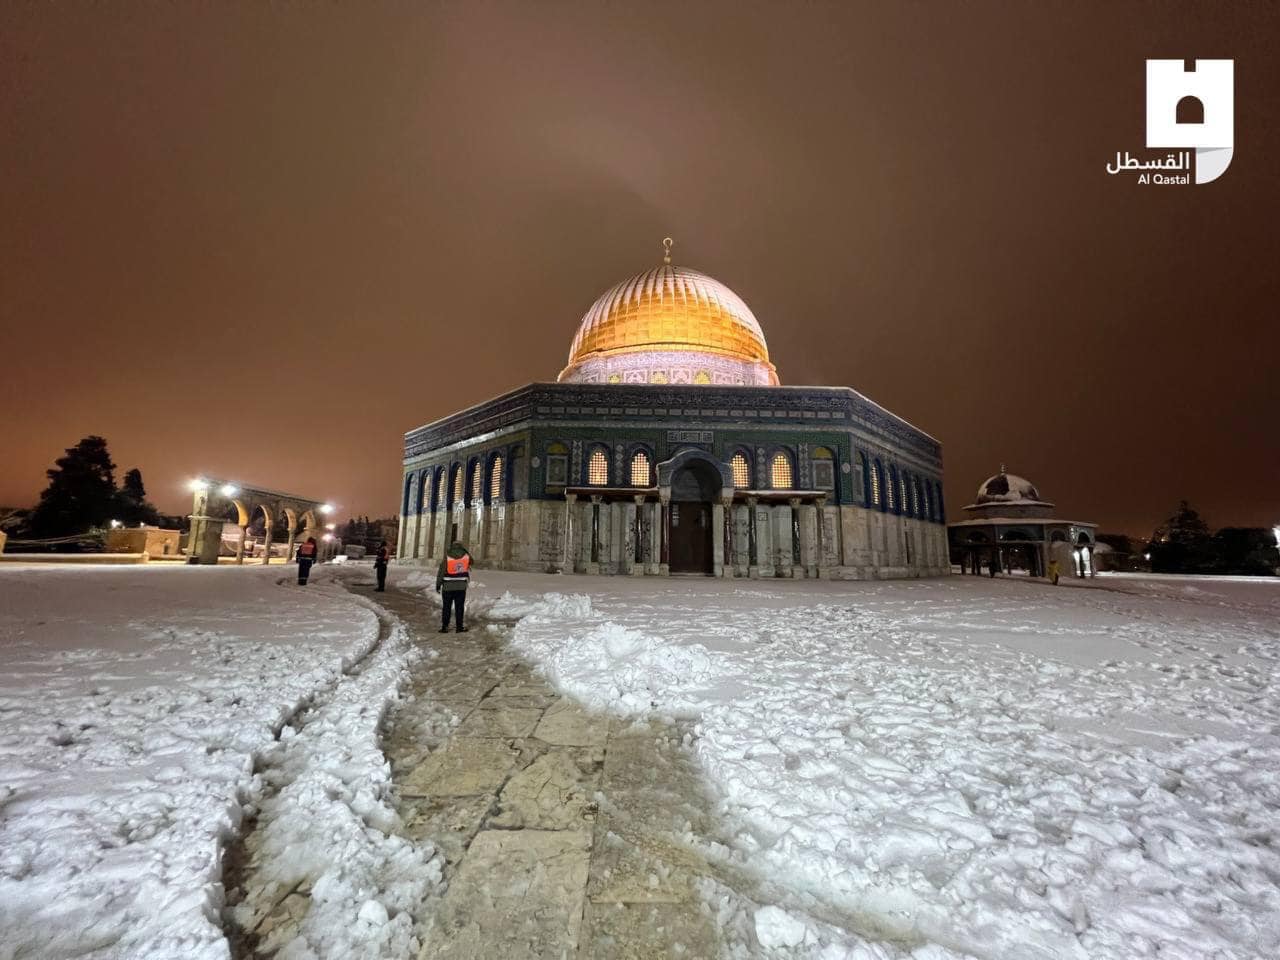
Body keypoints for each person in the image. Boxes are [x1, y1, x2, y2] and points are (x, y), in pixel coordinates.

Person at [435, 541, 472, 633]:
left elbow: (441, 571)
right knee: (459, 607)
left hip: (447, 587)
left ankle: (445, 627)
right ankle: (459, 627)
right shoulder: (465, 556)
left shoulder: (447, 556)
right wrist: (465, 551)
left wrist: (438, 585)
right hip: (461, 587)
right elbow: (472, 562)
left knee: (446, 607)